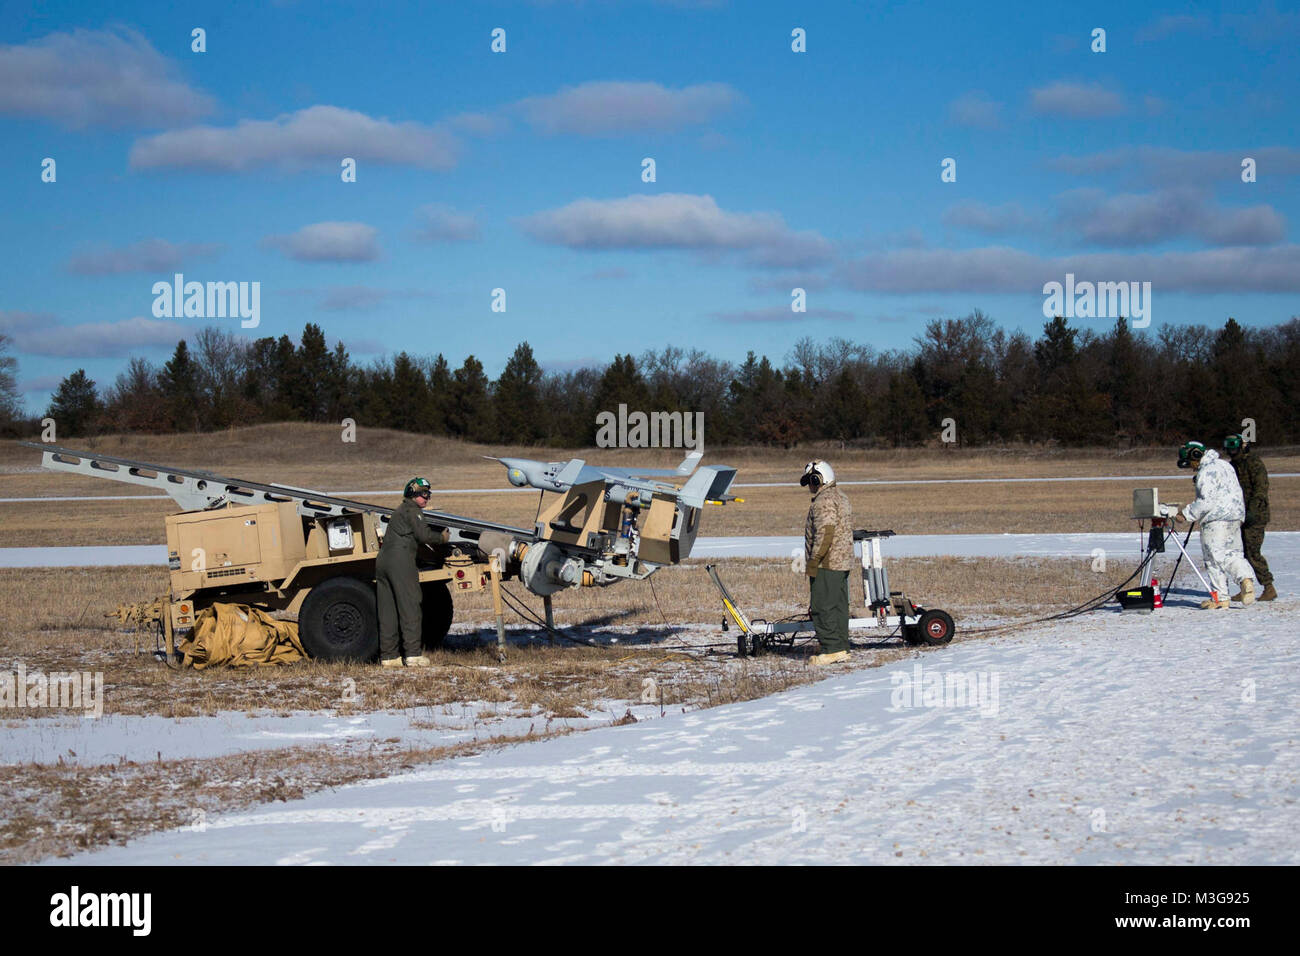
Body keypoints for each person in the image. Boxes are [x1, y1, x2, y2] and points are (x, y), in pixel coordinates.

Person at [376, 477, 448, 667]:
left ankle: (389, 656)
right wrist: (442, 538)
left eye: (428, 494)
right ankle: (413, 655)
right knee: (410, 605)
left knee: (388, 610)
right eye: (423, 494)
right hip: (400, 562)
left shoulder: (400, 510)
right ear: (412, 493)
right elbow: (423, 535)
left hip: (383, 561)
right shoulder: (412, 510)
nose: (427, 498)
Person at [1174, 441, 1255, 609]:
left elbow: (1207, 501)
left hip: (1216, 520)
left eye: (1191, 463)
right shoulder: (1224, 465)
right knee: (1233, 554)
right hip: (1235, 516)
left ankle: (1220, 598)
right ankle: (1246, 580)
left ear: (1196, 456)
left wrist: (1186, 514)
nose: (1192, 467)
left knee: (1214, 559)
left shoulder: (1206, 471)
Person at [801, 460, 854, 665]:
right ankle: (841, 647)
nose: (810, 486)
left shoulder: (824, 501)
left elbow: (825, 532)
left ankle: (832, 648)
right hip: (840, 562)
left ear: (821, 479)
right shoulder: (840, 496)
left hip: (827, 562)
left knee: (822, 606)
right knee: (838, 606)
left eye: (812, 481)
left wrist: (814, 560)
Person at [1224, 434, 1276, 601]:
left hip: (1256, 515)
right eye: (1228, 446)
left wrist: (1253, 510)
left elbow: (1261, 489)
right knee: (1241, 553)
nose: (1231, 450)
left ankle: (1268, 586)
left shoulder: (1253, 463)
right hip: (1240, 514)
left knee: (1252, 552)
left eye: (1234, 446)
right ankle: (1246, 587)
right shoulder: (1233, 466)